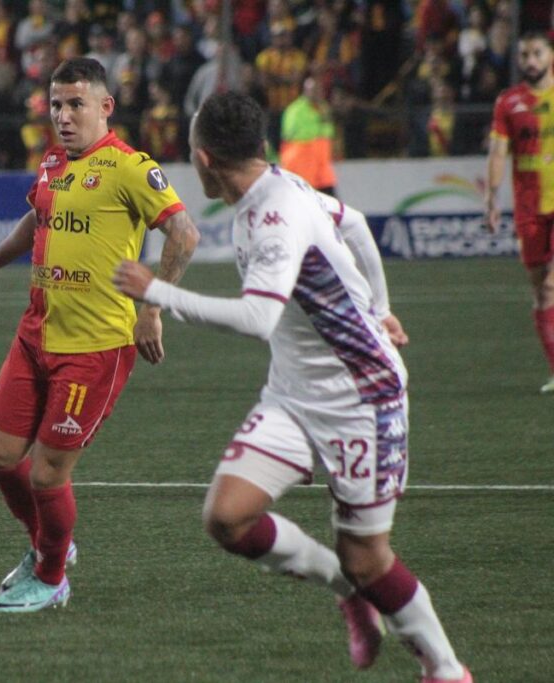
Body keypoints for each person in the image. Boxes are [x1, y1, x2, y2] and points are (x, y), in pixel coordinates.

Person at [112, 92, 471, 683]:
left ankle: (447, 670)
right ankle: (347, 593)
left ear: (204, 159)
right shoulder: (278, 188)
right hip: (293, 395)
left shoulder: (275, 213)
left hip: (361, 399)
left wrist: (157, 293)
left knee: (367, 557)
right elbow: (354, 224)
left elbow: (259, 318)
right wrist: (381, 308)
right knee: (227, 518)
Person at [0, 57, 199, 613]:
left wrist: (152, 309)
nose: (63, 116)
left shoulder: (130, 168)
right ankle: (51, 545)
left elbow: (184, 234)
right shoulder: (52, 164)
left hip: (95, 348)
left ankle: (51, 577)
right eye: (56, 105)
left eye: (75, 104)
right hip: (35, 335)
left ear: (105, 106)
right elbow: (36, 220)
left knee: (47, 474)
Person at [485, 31, 554, 395]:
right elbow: (498, 152)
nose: (530, 60)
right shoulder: (508, 102)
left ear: (550, 56)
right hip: (529, 209)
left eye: (537, 53)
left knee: (553, 284)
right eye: (525, 54)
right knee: (542, 292)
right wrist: (492, 198)